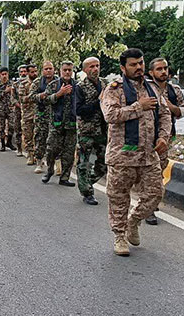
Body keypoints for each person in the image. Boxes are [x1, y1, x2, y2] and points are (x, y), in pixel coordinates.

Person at [100, 48, 171, 256]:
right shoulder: (114, 89)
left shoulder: (152, 88)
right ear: (123, 67)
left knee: (155, 193)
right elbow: (110, 115)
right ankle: (120, 236)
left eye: (141, 63)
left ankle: (134, 221)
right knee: (119, 198)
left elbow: (164, 113)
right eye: (133, 64)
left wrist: (163, 137)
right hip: (122, 155)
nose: (139, 67)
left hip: (148, 155)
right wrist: (138, 106)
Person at [145, 57, 184, 225]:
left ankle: (151, 203)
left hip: (165, 137)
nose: (163, 72)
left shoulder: (174, 90)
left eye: (165, 68)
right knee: (149, 174)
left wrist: (171, 107)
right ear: (151, 72)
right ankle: (148, 208)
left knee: (158, 171)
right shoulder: (145, 88)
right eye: (159, 69)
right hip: (145, 137)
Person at [75, 57, 108, 205]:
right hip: (86, 131)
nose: (95, 69)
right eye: (91, 67)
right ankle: (87, 192)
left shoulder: (105, 84)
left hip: (102, 130)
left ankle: (87, 181)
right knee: (84, 163)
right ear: (85, 70)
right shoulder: (80, 87)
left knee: (104, 164)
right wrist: (98, 102)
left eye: (97, 66)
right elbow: (79, 110)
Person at [41, 61, 77, 187]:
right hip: (56, 124)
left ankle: (65, 177)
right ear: (60, 71)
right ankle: (49, 170)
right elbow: (45, 100)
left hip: (71, 125)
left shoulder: (77, 85)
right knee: (51, 150)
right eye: (65, 70)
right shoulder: (53, 85)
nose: (67, 72)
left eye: (69, 70)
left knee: (68, 153)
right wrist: (58, 94)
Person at [29, 61, 57, 174]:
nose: (48, 71)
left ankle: (54, 164)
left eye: (50, 68)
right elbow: (30, 97)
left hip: (55, 115)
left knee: (55, 140)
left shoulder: (58, 82)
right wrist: (40, 96)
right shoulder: (37, 82)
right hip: (41, 116)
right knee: (40, 138)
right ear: (42, 71)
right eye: (46, 69)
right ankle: (39, 162)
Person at [0, 67, 17, 151]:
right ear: (0, 75)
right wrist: (5, 91)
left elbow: (16, 95)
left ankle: (9, 142)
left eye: (5, 74)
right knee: (1, 127)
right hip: (1, 108)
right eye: (2, 74)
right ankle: (2, 144)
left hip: (10, 108)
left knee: (12, 126)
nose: (4, 76)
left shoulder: (12, 83)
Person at [18, 65, 38, 164]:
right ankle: (30, 155)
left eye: (35, 71)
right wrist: (34, 97)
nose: (34, 74)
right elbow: (22, 99)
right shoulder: (23, 84)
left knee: (39, 136)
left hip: (39, 114)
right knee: (28, 136)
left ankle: (38, 157)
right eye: (32, 72)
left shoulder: (40, 82)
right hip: (27, 114)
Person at [13, 65, 28, 156]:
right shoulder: (15, 85)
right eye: (21, 72)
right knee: (18, 129)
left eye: (24, 71)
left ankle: (29, 150)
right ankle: (19, 148)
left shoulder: (32, 83)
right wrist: (19, 105)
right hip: (18, 110)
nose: (23, 73)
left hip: (29, 110)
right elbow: (13, 99)